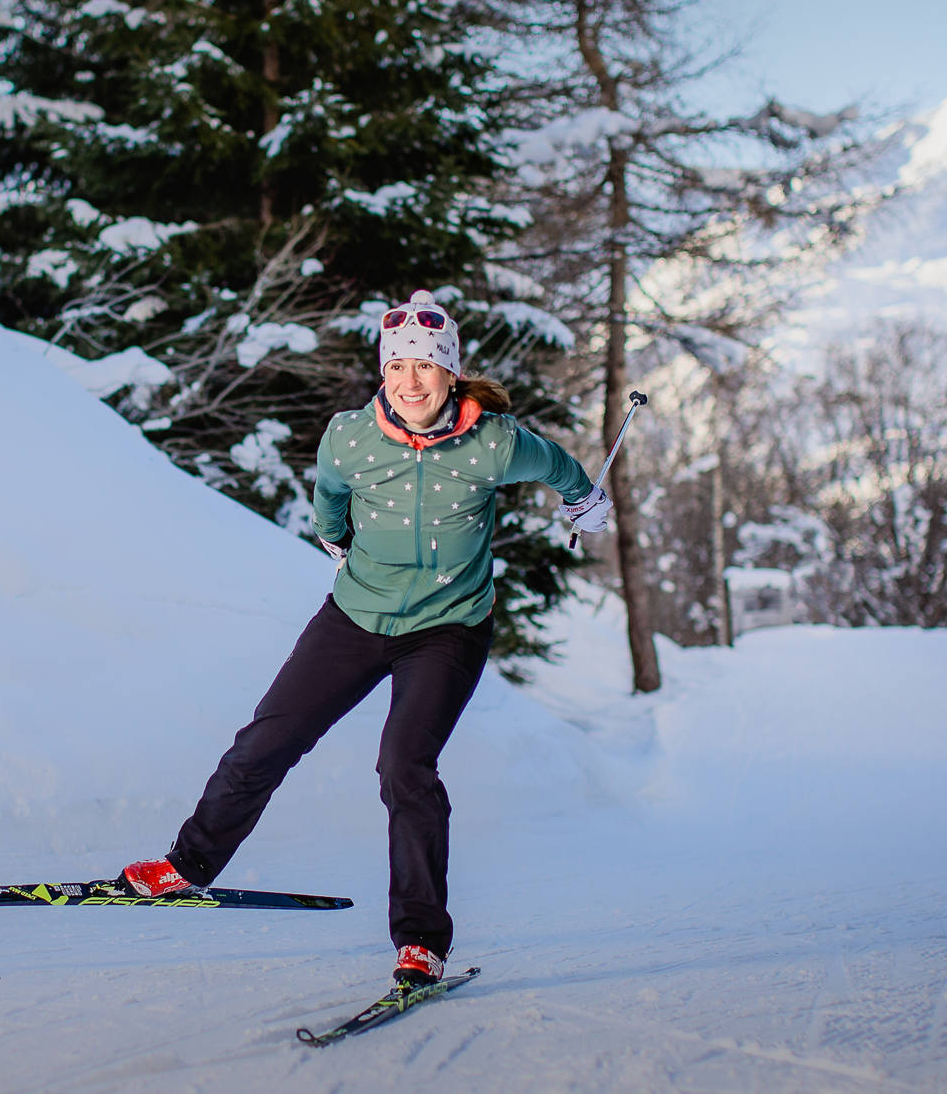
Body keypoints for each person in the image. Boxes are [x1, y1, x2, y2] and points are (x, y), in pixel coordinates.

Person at [122, 290, 612, 986]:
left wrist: (585, 501)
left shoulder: (494, 444)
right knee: (267, 738)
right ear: (384, 373)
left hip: (448, 627)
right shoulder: (349, 436)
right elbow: (329, 498)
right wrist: (336, 541)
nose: (410, 381)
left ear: (450, 374)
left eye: (425, 367)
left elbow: (560, 466)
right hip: (355, 615)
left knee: (403, 767)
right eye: (398, 367)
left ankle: (420, 941)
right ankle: (186, 864)